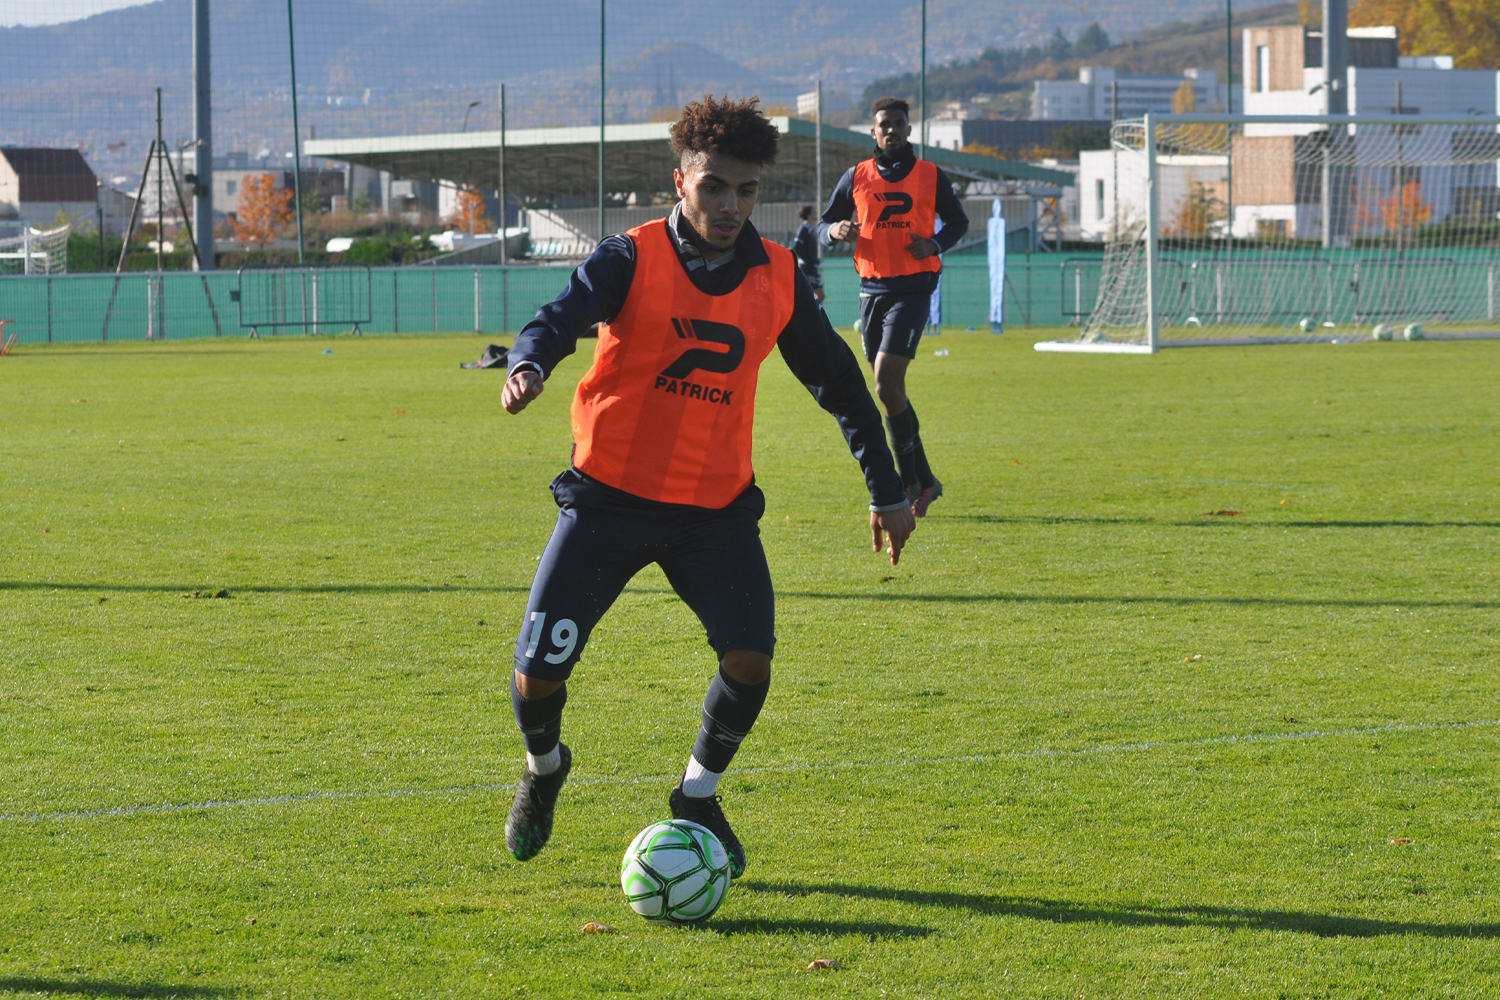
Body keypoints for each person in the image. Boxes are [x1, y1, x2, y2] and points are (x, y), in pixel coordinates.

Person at [499, 95, 916, 879]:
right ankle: (546, 767)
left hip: (714, 514)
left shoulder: (779, 278)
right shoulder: (631, 256)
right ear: (680, 182)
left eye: (747, 191)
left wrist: (887, 490)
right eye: (715, 187)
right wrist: (530, 363)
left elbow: (843, 387)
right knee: (539, 673)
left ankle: (696, 794)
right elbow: (558, 316)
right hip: (607, 501)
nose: (731, 206)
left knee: (751, 658)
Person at [820, 96, 968, 517]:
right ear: (873, 131)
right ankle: (927, 480)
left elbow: (958, 221)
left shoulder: (930, 176)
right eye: (884, 124)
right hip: (871, 290)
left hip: (914, 287)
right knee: (891, 394)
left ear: (908, 129)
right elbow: (821, 225)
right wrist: (835, 230)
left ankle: (907, 483)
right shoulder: (856, 177)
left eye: (899, 124)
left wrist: (934, 243)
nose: (892, 130)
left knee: (885, 384)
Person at [791, 204, 825, 305]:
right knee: (818, 295)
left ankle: (810, 316)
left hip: (810, 267)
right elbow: (797, 246)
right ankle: (811, 316)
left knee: (815, 295)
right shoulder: (805, 228)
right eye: (814, 212)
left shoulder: (809, 228)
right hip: (806, 268)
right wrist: (808, 260)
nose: (816, 214)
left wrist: (813, 259)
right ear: (809, 215)